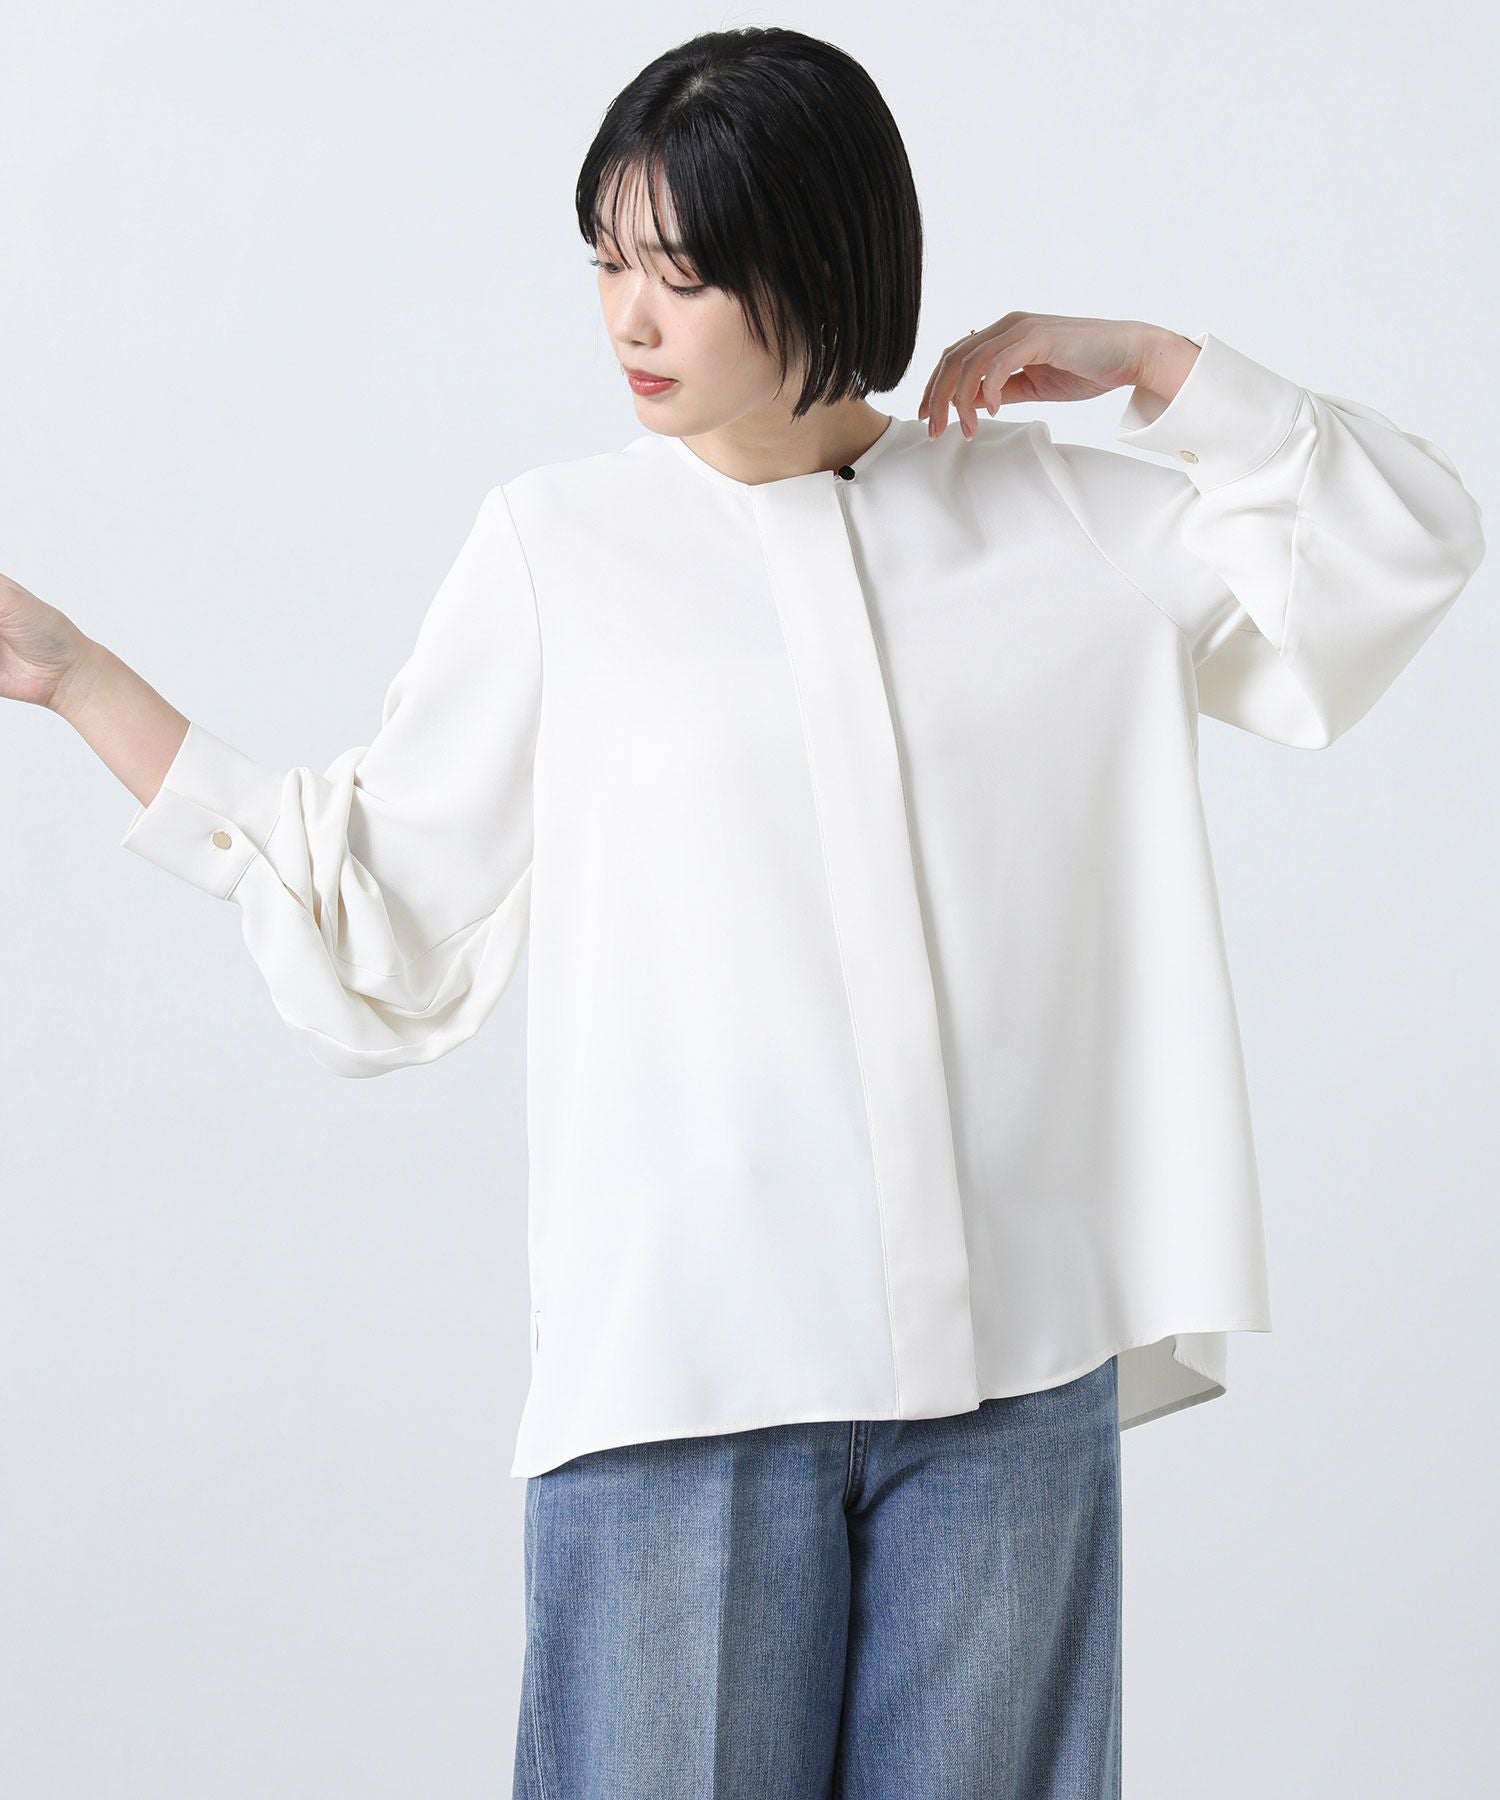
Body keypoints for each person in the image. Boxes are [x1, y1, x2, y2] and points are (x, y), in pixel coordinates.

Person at [3, 24, 1484, 1800]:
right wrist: (78, 677)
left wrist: (1166, 366)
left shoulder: (1062, 522)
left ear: (826, 263)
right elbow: (377, 900)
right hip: (681, 1392)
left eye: (684, 275)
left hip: (1015, 1387)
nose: (629, 321)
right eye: (607, 263)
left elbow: (1399, 546)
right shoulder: (557, 550)